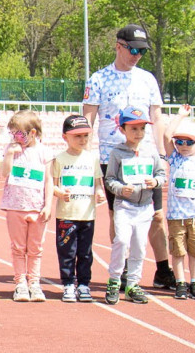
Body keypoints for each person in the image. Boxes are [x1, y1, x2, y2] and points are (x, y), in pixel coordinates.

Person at [82, 23, 175, 290]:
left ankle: (163, 269)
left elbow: (156, 118)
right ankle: (120, 271)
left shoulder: (147, 79)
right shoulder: (98, 79)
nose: (137, 55)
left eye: (142, 51)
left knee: (155, 215)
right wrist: (87, 158)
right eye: (132, 49)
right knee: (118, 215)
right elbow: (88, 118)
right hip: (113, 157)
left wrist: (160, 154)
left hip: (145, 157)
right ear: (118, 46)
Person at [104, 106, 167, 305]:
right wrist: (121, 189)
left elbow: (161, 175)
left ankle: (133, 284)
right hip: (124, 206)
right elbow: (110, 179)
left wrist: (155, 183)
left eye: (142, 129)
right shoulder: (117, 153)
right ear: (122, 130)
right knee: (122, 241)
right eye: (133, 129)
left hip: (145, 208)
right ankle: (114, 280)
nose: (138, 133)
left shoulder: (151, 152)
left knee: (139, 246)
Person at [159, 105, 195, 301]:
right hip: (176, 216)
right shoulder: (174, 159)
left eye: (189, 142)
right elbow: (166, 135)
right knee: (177, 251)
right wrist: (180, 116)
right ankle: (180, 283)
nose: (184, 145)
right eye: (180, 141)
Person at [50, 115, 106, 303]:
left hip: (87, 215)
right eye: (77, 136)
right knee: (67, 251)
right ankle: (68, 284)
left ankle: (83, 285)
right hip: (66, 214)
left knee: (85, 252)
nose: (82, 140)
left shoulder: (92, 159)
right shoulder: (59, 159)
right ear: (65, 137)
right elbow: (53, 186)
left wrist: (99, 193)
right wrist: (59, 193)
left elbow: (98, 184)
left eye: (85, 136)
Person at [0, 109, 53, 302]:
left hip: (36, 207)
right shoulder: (11, 149)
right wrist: (10, 155)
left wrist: (48, 205)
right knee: (18, 247)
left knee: (35, 248)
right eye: (13, 133)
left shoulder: (44, 152)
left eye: (19, 134)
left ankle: (34, 283)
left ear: (32, 133)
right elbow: (4, 172)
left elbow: (49, 180)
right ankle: (20, 283)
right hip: (15, 206)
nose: (16, 137)